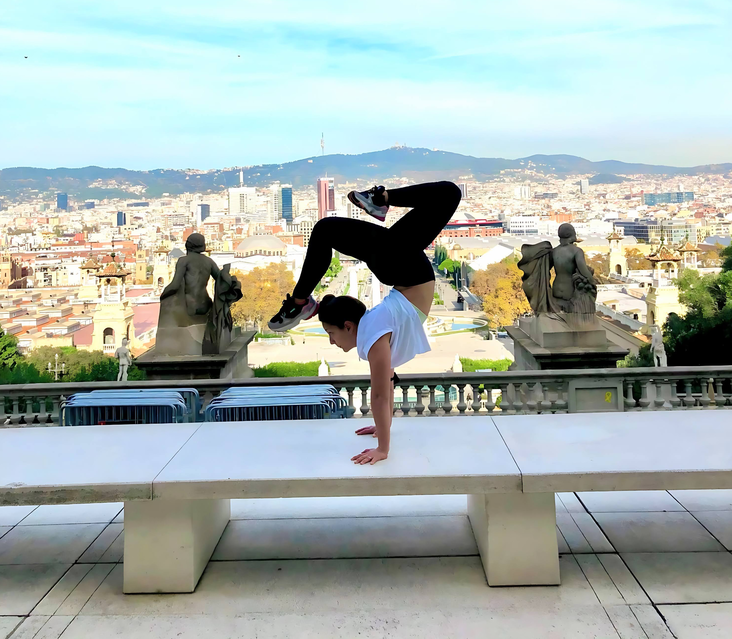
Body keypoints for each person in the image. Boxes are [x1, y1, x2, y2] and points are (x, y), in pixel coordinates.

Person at [268, 181, 462, 464]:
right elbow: (386, 387)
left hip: (403, 266)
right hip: (403, 265)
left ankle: (301, 303)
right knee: (448, 194)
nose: (332, 342)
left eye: (331, 334)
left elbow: (382, 396)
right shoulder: (375, 328)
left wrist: (383, 447)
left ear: (349, 325)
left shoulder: (373, 332)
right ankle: (381, 200)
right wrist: (383, 428)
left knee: (325, 229)